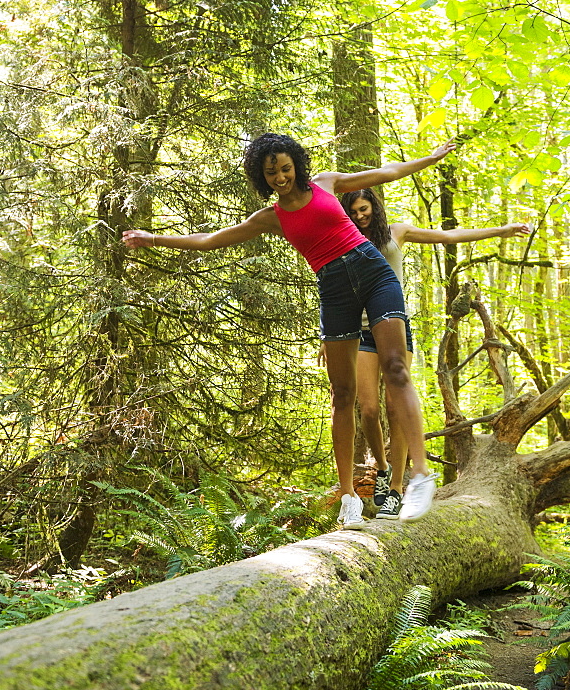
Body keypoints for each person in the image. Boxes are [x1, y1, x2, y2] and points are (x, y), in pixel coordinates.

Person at [122, 133, 457, 530]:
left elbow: (387, 172)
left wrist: (430, 159)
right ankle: (349, 495)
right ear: (261, 177)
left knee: (396, 368)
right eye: (271, 172)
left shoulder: (327, 184)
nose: (280, 177)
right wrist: (153, 238)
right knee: (342, 393)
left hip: (372, 270)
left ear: (296, 163)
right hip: (333, 287)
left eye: (285, 168)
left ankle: (419, 476)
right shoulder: (271, 218)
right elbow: (210, 241)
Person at [338, 187, 530, 520]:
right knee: (367, 409)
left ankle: (397, 489)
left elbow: (448, 235)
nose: (360, 217)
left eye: (364, 209)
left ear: (374, 207)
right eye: (353, 212)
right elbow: (338, 292)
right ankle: (382, 469)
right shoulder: (343, 240)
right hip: (360, 330)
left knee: (397, 409)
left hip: (394, 326)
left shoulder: (397, 232)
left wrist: (501, 230)